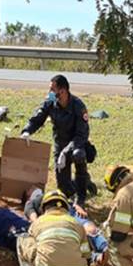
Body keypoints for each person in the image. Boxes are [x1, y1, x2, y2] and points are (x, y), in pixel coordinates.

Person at [16, 189, 102, 266]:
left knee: (23, 238)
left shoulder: (38, 223)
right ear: (66, 207)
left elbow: (34, 249)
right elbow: (87, 256)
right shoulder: (77, 224)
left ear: (44, 207)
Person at [20, 74, 93, 207]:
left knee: (78, 155)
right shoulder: (50, 103)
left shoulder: (78, 106)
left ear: (63, 91)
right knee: (64, 189)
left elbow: (82, 134)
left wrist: (66, 152)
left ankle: (81, 197)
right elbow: (38, 118)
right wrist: (27, 131)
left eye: (52, 90)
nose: (50, 93)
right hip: (60, 144)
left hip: (76, 144)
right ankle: (83, 183)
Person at [24, 186, 107, 263]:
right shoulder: (36, 200)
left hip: (64, 215)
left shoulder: (44, 197)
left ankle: (101, 253)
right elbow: (30, 210)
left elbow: (32, 215)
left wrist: (76, 206)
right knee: (84, 233)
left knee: (85, 232)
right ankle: (101, 252)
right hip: (63, 215)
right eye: (29, 189)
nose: (32, 187)